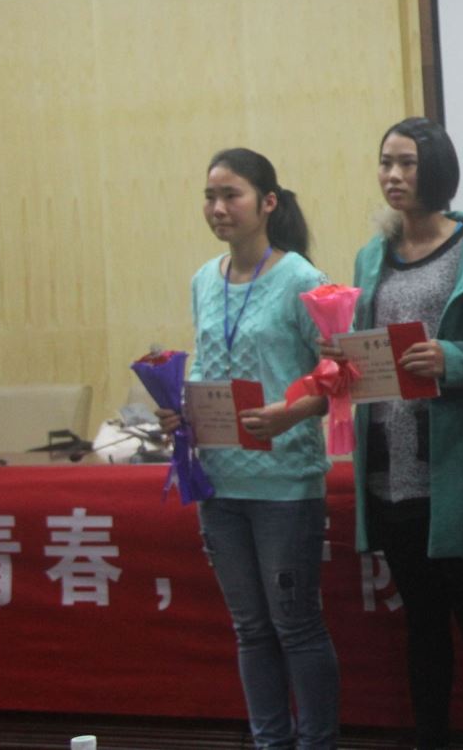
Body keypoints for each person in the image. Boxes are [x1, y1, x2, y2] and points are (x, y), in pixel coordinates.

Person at [340, 117, 463, 750]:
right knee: (420, 620)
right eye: (385, 162)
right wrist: (342, 359)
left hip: (457, 461)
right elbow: (367, 349)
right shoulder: (372, 256)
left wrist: (455, 359)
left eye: (407, 164)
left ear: (438, 169)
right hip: (388, 468)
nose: (392, 176)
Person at [160, 147, 339, 750]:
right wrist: (180, 408)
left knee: (296, 627)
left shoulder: (302, 280)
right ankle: (270, 743)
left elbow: (338, 375)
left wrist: (291, 411)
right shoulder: (203, 280)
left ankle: (316, 744)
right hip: (220, 480)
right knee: (251, 629)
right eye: (210, 197)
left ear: (267, 203)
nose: (218, 208)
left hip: (284, 481)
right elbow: (210, 365)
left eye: (230, 195)